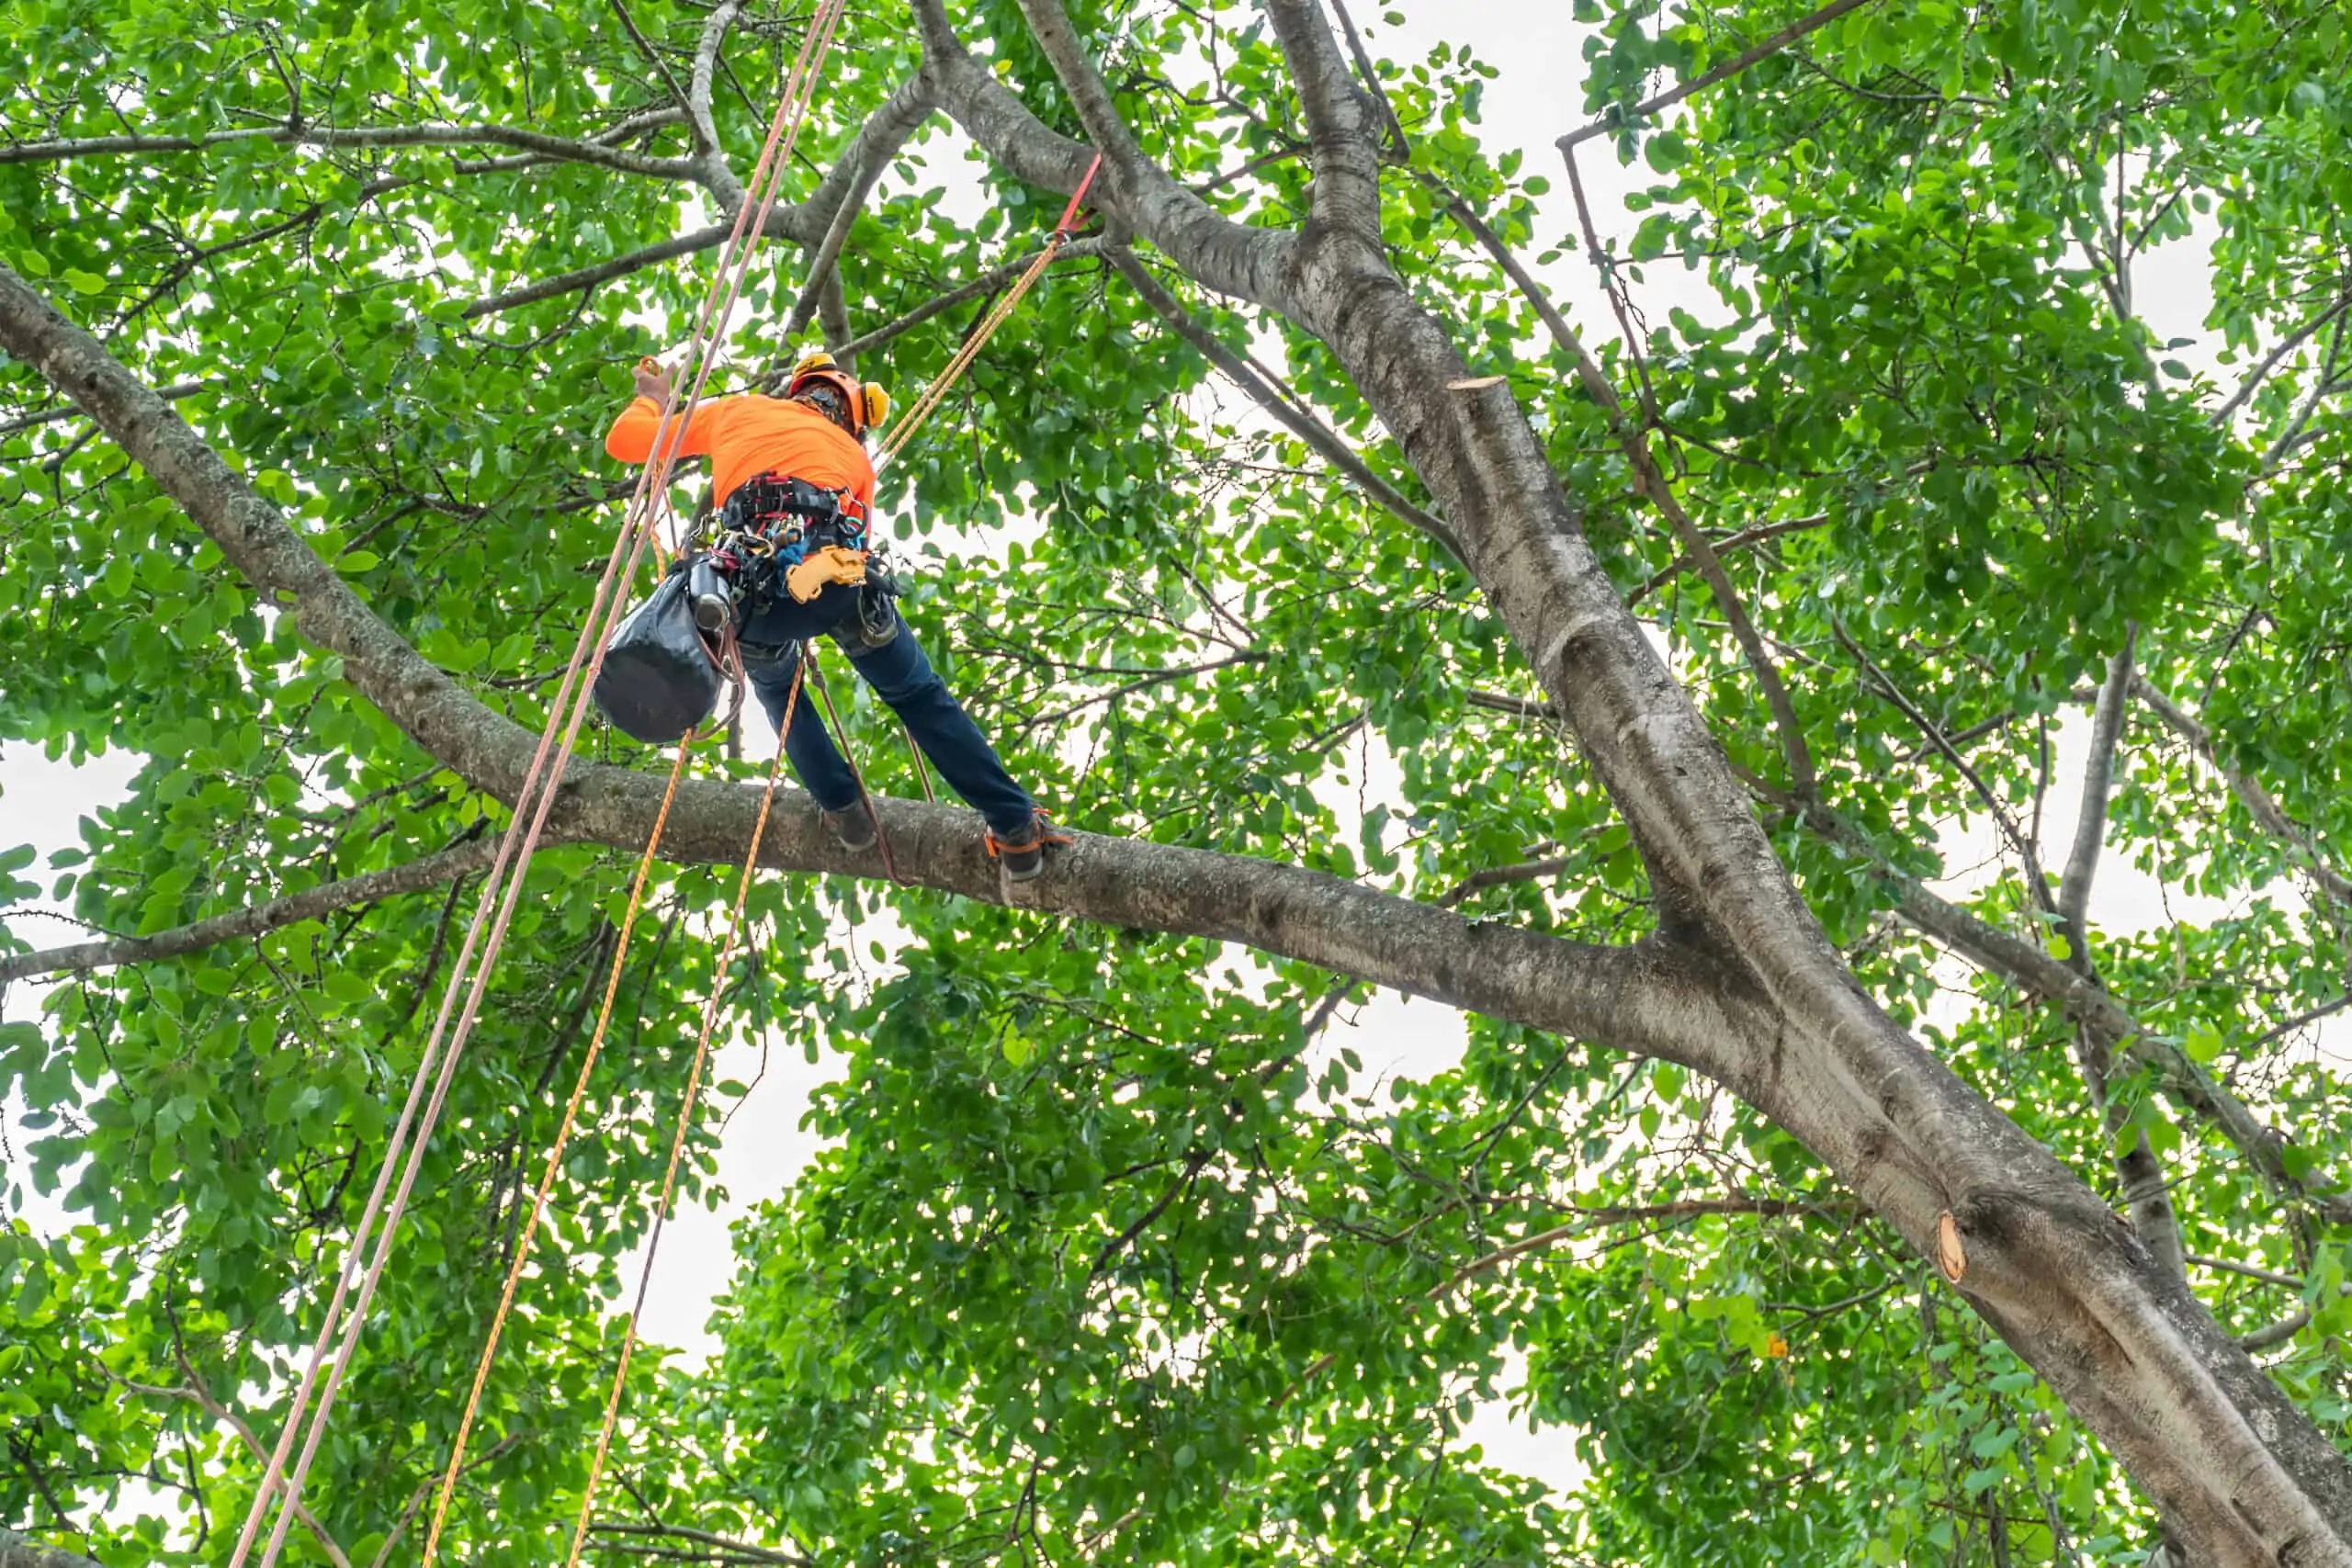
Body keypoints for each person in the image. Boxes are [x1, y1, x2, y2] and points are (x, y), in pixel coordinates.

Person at [605, 351, 1068, 881]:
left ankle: (844, 811)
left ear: (797, 389)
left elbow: (624, 443)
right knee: (918, 696)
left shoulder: (739, 411)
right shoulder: (854, 457)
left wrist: (655, 401)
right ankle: (1014, 830)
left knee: (778, 690)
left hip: (746, 595)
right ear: (852, 417)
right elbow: (857, 533)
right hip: (836, 582)